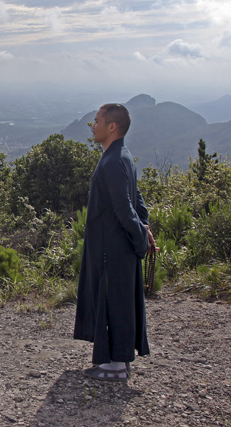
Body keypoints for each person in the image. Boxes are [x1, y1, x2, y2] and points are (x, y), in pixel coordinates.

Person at [73, 103, 156, 381]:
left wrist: (141, 237)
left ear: (112, 127)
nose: (92, 125)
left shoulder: (113, 160)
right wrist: (144, 227)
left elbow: (124, 207)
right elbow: (137, 197)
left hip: (112, 247)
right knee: (117, 299)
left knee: (114, 301)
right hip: (116, 245)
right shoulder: (120, 157)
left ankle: (117, 364)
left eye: (96, 121)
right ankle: (112, 359)